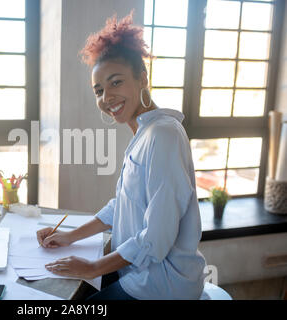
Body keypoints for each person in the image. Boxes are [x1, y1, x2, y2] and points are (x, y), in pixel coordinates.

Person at [36, 11, 207, 300]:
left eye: (116, 83)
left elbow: (157, 238)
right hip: (139, 273)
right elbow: (122, 206)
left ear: (143, 79)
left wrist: (93, 267)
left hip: (161, 286)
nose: (106, 98)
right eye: (99, 90)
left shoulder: (163, 135)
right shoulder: (144, 134)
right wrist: (69, 236)